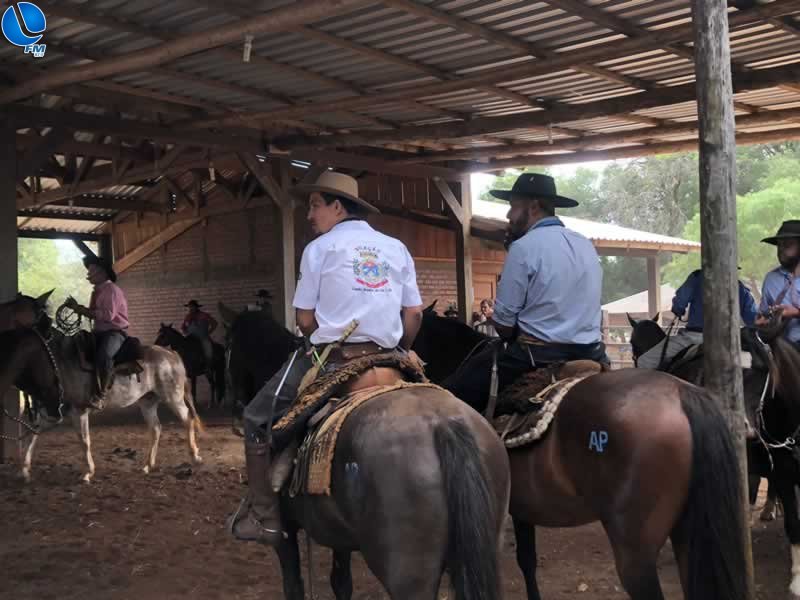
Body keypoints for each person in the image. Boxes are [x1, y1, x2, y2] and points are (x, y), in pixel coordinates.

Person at [228, 170, 424, 545]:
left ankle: (265, 516)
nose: (309, 215)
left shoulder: (319, 249)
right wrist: (402, 348)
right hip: (390, 358)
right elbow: (414, 314)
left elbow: (304, 320)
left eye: (315, 205)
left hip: (337, 359)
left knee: (254, 417)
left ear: (337, 207)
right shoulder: (395, 247)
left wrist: (321, 335)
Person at [445, 173, 608, 410]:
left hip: (537, 356)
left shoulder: (523, 247)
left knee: (455, 395)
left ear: (533, 207)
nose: (508, 215)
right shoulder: (585, 244)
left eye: (513, 207)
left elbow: (503, 323)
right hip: (592, 353)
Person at [636, 269, 758, 369]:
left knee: (644, 361)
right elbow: (752, 319)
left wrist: (678, 310)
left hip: (695, 338)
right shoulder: (740, 288)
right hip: (729, 340)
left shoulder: (697, 277)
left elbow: (680, 301)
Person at [64, 256, 129, 410]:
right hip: (99, 332)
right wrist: (79, 308)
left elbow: (107, 316)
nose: (89, 274)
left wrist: (79, 309)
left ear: (102, 273)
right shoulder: (98, 291)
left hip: (114, 332)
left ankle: (101, 395)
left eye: (92, 271)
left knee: (104, 356)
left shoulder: (111, 290)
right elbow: (93, 313)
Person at [757, 220, 800, 351]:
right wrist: (763, 320)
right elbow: (763, 314)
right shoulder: (771, 279)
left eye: (787, 245)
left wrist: (795, 312)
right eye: (779, 245)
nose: (781, 249)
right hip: (781, 350)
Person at [181, 300, 217, 365]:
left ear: (196, 307)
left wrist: (208, 332)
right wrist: (185, 331)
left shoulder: (204, 315)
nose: (190, 308)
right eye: (189, 307)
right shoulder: (187, 317)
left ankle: (208, 365)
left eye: (192, 307)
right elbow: (183, 327)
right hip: (190, 338)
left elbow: (214, 323)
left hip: (202, 338)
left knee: (208, 348)